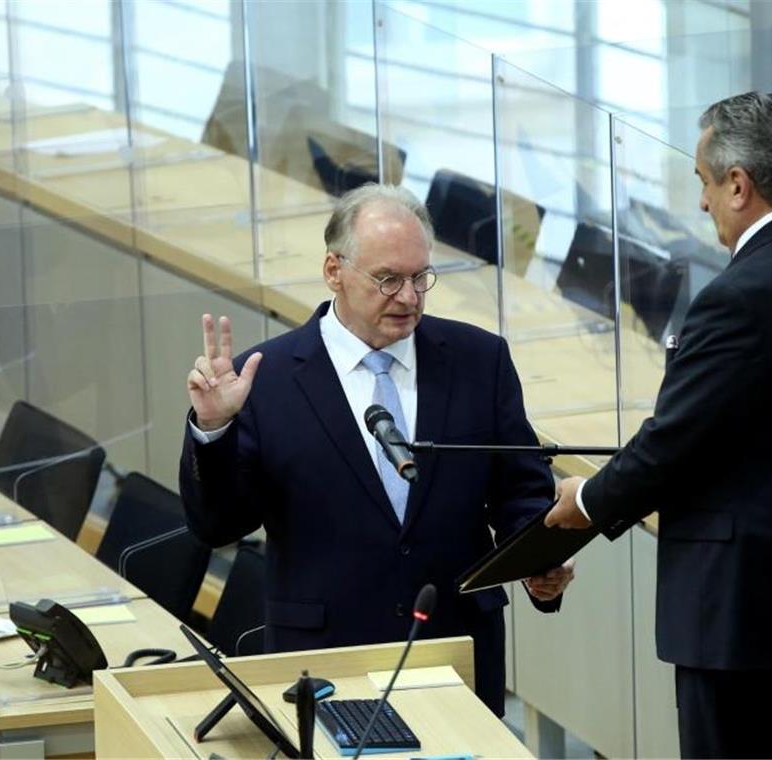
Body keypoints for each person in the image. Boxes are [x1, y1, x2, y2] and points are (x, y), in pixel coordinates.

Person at [546, 92, 772, 758]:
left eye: (705, 184)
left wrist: (587, 500)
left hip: (745, 616)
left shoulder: (739, 297)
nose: (702, 203)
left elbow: (674, 444)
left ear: (739, 184)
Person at [180, 184, 574, 717]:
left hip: (454, 652)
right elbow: (218, 525)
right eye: (388, 279)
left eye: (419, 278)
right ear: (333, 270)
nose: (409, 297)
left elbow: (519, 490)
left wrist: (538, 563)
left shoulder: (479, 360)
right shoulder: (263, 379)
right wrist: (214, 427)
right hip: (325, 661)